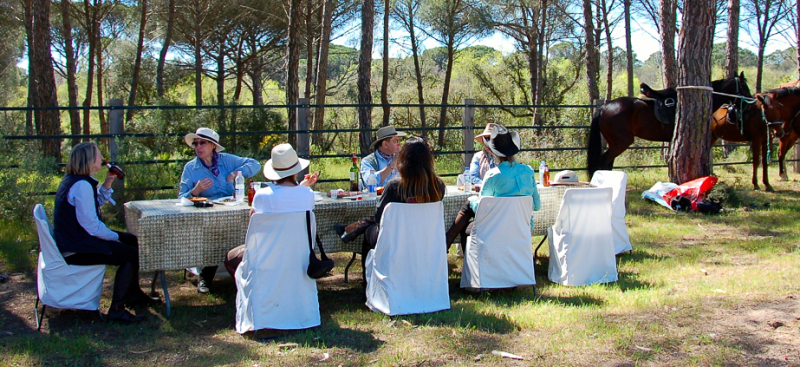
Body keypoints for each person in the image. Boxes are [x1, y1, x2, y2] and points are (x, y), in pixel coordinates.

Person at [53, 142, 159, 323]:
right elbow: (92, 226)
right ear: (88, 159)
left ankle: (133, 294)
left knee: (132, 240)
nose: (102, 158)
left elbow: (94, 204)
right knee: (131, 255)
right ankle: (117, 309)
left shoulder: (76, 181)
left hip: (75, 240)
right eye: (98, 155)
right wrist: (115, 237)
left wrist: (108, 181)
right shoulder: (81, 185)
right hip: (77, 248)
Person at [178, 127, 262, 293]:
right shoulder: (191, 168)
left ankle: (249, 272)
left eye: (203, 143)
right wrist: (196, 190)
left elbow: (255, 164)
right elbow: (182, 197)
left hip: (231, 211)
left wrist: (237, 172)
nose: (198, 147)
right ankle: (205, 277)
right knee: (215, 234)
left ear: (213, 146)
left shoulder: (227, 160)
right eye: (196, 144)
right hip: (206, 217)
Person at [355, 138, 446, 284]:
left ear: (403, 159)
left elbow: (379, 219)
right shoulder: (439, 186)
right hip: (426, 238)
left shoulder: (394, 186)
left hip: (396, 239)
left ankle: (369, 285)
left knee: (369, 232)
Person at [222, 143, 319, 277]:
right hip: (298, 256)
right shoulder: (307, 194)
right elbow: (293, 199)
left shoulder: (262, 195)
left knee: (230, 257)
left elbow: (253, 223)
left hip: (266, 256)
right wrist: (301, 187)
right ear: (296, 171)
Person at [445, 124, 542, 252]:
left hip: (496, 228)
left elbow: (483, 208)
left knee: (467, 224)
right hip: (522, 228)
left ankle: (454, 250)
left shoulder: (492, 175)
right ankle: (447, 241)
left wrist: (472, 201)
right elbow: (536, 206)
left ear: (494, 151)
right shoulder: (528, 171)